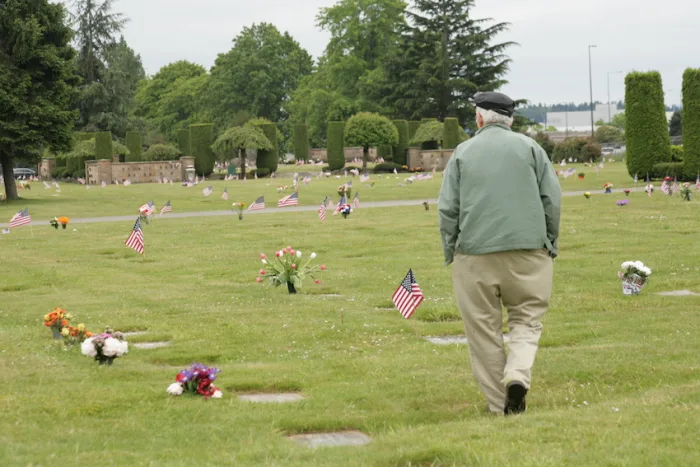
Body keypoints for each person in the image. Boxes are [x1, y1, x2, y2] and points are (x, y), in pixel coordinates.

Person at [438, 92, 561, 415]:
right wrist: (549, 240)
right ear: (511, 120)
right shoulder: (531, 149)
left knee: (483, 330)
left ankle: (499, 405)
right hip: (528, 251)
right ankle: (517, 375)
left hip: (475, 254)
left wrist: (451, 250)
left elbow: (448, 209)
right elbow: (551, 199)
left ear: (479, 119)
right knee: (527, 320)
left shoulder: (463, 153)